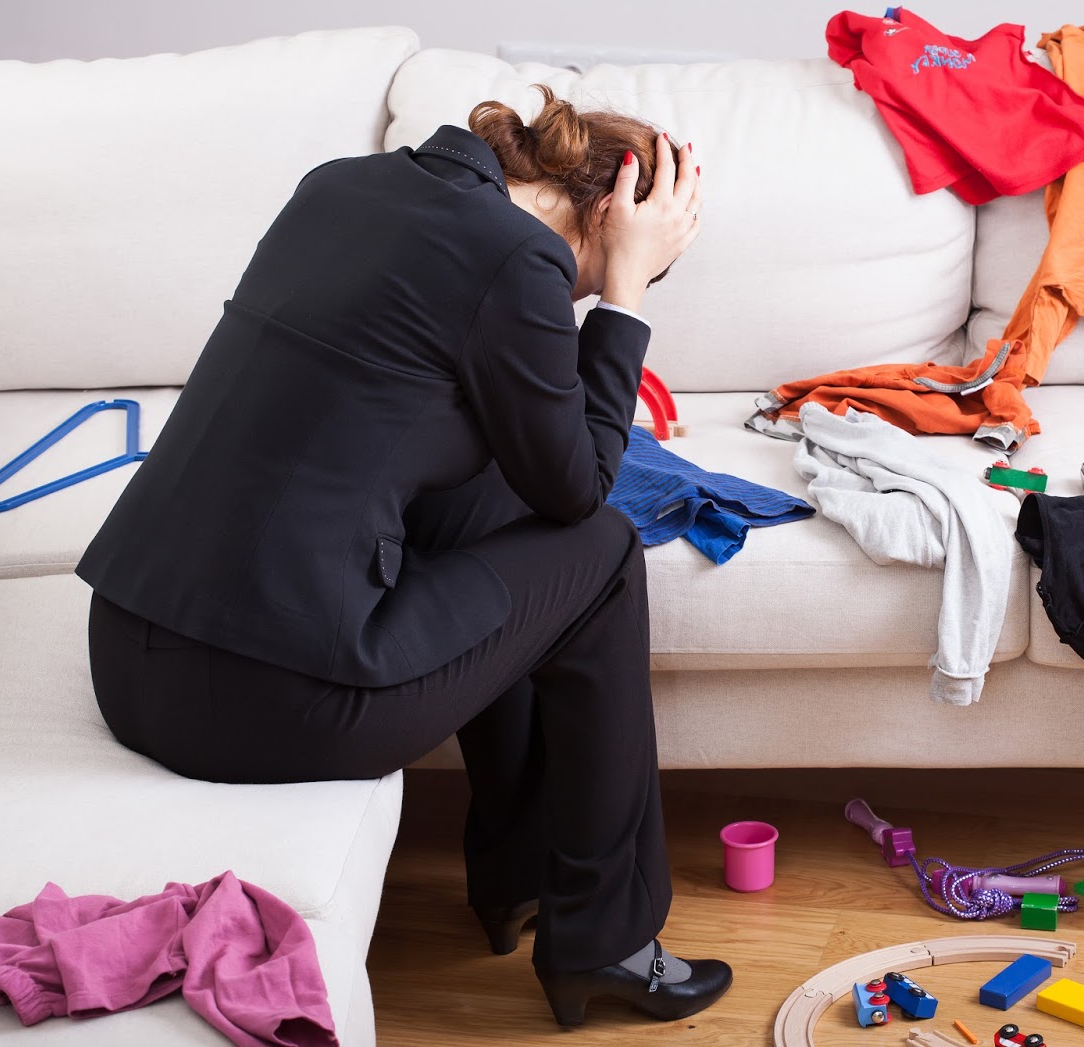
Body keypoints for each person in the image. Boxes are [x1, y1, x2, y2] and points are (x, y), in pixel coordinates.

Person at [73, 85, 731, 1028]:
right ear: (602, 216)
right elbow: (582, 488)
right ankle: (606, 939)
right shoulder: (517, 261)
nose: (580, 293)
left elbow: (511, 470)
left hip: (131, 657)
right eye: (600, 272)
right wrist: (622, 300)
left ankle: (517, 876)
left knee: (502, 507)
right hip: (265, 706)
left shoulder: (340, 188)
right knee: (603, 550)